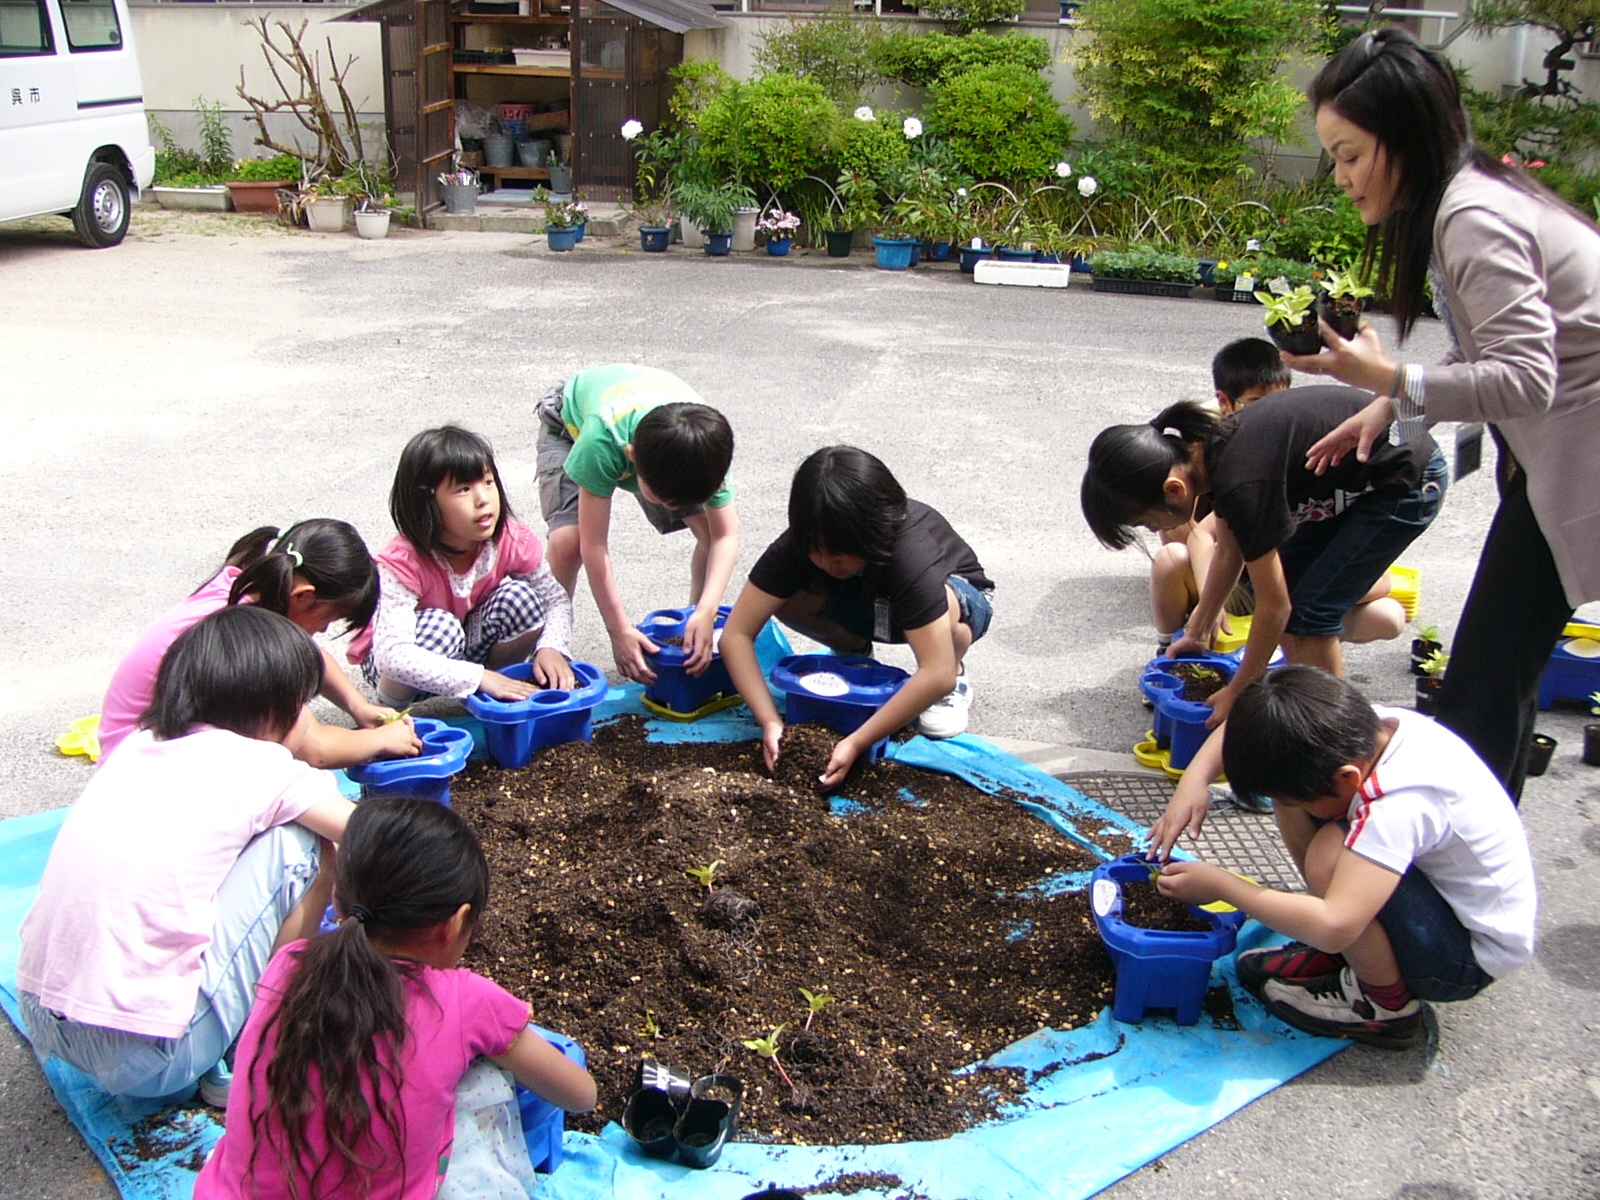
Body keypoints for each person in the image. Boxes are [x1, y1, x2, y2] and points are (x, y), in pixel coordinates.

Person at [1290, 27, 1600, 801]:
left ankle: (1458, 886)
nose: (1342, 177)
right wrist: (1388, 403)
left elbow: (1526, 379)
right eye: (1336, 157)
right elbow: (1495, 351)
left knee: (1484, 688)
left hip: (1575, 462)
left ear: (1407, 137)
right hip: (1554, 466)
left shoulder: (1471, 215)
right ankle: (1472, 873)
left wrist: (1391, 373)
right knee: (1494, 681)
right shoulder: (1466, 199)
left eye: (1352, 154)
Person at [17, 606, 356, 1103]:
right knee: (302, 844)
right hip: (145, 1057)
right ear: (275, 710)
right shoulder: (261, 763)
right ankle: (263, 1044)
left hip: (43, 1013)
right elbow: (364, 832)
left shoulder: (139, 744)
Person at [194, 797, 597, 1200]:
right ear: (455, 924)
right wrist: (504, 1027)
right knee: (483, 1077)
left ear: (338, 900)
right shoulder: (465, 1002)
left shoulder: (287, 964)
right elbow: (580, 1095)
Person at [1146, 665, 1536, 1049]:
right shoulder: (1364, 729)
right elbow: (1252, 725)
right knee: (1296, 797)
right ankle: (1358, 957)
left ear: (1349, 778)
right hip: (1441, 900)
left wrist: (1222, 885)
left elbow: (1336, 924)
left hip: (1463, 961)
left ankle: (1386, 1007)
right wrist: (1193, 782)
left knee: (1327, 860)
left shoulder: (1400, 804)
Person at [1081, 392, 1446, 727]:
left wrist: (1239, 691)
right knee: (1296, 608)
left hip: (1405, 480)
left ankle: (1332, 735)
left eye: (1147, 521)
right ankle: (1309, 717)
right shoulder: (1209, 454)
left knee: (1309, 616)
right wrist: (1197, 630)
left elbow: (1276, 608)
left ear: (1173, 489)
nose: (1151, 530)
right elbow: (1228, 549)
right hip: (1356, 482)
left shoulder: (1241, 481)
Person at [720, 446, 994, 786]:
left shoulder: (911, 552)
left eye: (838, 554)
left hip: (956, 602)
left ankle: (958, 673)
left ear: (870, 532)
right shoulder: (804, 541)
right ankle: (852, 650)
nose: (827, 562)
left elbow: (935, 672)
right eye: (816, 551)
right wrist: (771, 722)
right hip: (871, 605)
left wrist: (857, 741)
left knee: (948, 611)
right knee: (780, 596)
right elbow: (736, 634)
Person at [97, 520, 421, 769]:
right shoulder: (240, 643)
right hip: (142, 770)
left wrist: (357, 705)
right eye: (330, 618)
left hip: (128, 754)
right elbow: (315, 748)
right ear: (303, 596)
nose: (322, 630)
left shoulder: (248, 589)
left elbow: (311, 657)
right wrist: (381, 740)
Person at [1149, 340, 1407, 650]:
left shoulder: (1307, 462)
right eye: (1256, 402)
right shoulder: (1240, 467)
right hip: (1240, 589)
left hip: (1287, 588)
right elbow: (1208, 540)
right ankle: (1168, 645)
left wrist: (1313, 591)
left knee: (1389, 616)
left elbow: (1381, 582)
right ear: (1226, 402)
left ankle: (1298, 634)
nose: (1269, 414)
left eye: (1279, 402)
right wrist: (1210, 603)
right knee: (1171, 555)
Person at [534, 364, 738, 684]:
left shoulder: (706, 449)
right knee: (569, 542)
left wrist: (705, 611)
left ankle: (692, 623)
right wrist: (618, 631)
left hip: (659, 427)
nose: (671, 508)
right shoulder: (603, 444)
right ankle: (547, 645)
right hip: (568, 423)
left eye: (678, 501)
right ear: (631, 457)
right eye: (661, 497)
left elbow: (725, 536)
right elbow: (594, 545)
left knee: (708, 532)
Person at [354, 425, 576, 704]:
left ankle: (492, 696)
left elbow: (555, 599)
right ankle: (388, 713)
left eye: (488, 482)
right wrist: (477, 676)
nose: (483, 499)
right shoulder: (404, 561)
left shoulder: (510, 539)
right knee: (442, 627)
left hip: (462, 644)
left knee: (522, 601)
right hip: (402, 661)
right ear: (426, 502)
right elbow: (392, 656)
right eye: (462, 489)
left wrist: (551, 647)